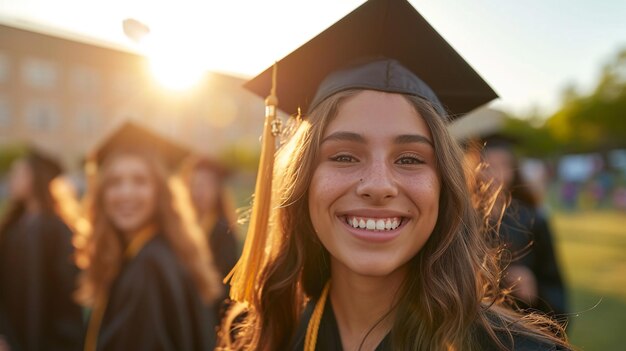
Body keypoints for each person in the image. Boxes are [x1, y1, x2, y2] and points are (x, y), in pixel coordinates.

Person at [220, 0, 571, 350]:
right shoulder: (265, 341)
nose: (378, 185)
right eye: (343, 156)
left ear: (444, 187)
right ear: (302, 179)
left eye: (409, 159)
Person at [75, 121, 222, 351]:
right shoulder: (161, 251)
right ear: (102, 194)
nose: (126, 193)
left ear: (160, 192)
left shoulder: (148, 267)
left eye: (140, 181)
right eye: (114, 182)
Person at [0, 148, 84, 351]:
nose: (12, 179)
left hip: (43, 342)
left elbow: (66, 299)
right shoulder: (14, 225)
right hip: (9, 337)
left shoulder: (57, 230)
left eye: (19, 173)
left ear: (36, 178)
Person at [481, 135, 568, 324]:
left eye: (503, 165)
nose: (495, 174)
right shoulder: (461, 219)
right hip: (478, 322)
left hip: (523, 320)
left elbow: (553, 279)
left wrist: (534, 286)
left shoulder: (533, 219)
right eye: (487, 166)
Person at [182, 157, 239, 320]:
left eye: (205, 185)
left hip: (212, 313)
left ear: (217, 189)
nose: (199, 192)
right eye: (194, 185)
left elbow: (224, 283)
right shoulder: (183, 227)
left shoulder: (224, 230)